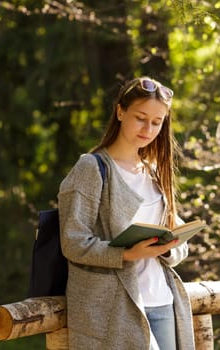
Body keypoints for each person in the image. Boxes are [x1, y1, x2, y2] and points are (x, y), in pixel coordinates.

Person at [58, 77, 195, 350]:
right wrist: (127, 254)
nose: (148, 129)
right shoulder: (92, 168)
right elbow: (73, 242)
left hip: (162, 300)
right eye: (141, 118)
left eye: (157, 122)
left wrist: (168, 248)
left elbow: (178, 239)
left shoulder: (154, 171)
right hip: (115, 309)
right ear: (120, 112)